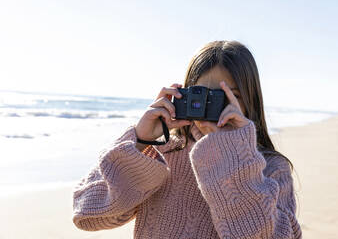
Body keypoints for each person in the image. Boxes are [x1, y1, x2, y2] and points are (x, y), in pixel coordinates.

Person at [72, 40, 303, 238]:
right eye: (204, 95)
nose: (213, 107)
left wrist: (236, 156)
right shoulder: (162, 152)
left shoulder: (270, 167)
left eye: (228, 96)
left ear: (249, 100)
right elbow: (87, 213)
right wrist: (139, 141)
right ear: (187, 95)